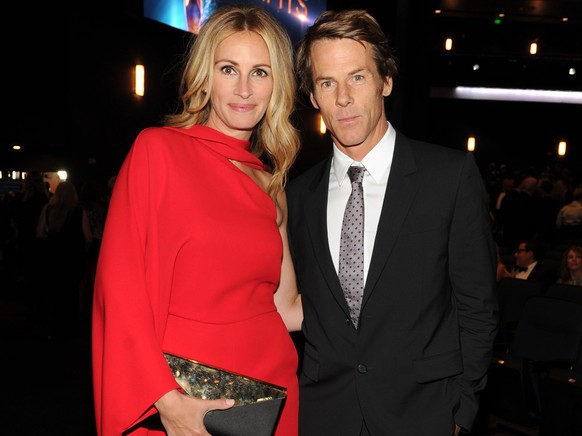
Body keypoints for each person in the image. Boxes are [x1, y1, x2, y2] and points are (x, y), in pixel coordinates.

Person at [92, 4, 302, 436]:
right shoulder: (158, 151)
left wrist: (386, 299)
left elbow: (287, 308)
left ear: (277, 84)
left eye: (260, 72)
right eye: (229, 69)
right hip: (180, 397)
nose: (244, 88)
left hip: (268, 395)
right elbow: (120, 288)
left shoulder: (271, 182)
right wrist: (167, 403)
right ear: (206, 75)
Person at [287, 10, 499, 436]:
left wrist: (462, 409)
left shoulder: (449, 177)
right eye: (327, 83)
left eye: (358, 77)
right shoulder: (298, 196)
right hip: (324, 414)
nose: (343, 97)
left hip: (424, 414)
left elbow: (478, 305)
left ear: (385, 80)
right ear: (313, 95)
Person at [36, 180, 93, 339]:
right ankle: (69, 329)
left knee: (54, 293)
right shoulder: (79, 212)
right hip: (73, 259)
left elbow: (40, 232)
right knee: (71, 293)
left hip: (53, 258)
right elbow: (88, 237)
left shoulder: (48, 210)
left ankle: (54, 329)